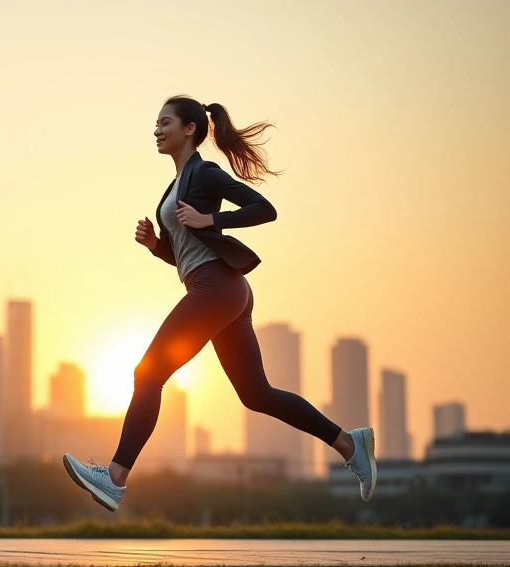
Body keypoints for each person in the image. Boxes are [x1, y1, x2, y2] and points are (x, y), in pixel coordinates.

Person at [62, 95, 376, 512]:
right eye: (155, 124)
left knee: (148, 372)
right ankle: (349, 443)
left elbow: (264, 209)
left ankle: (115, 477)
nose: (157, 130)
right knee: (256, 394)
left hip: (217, 287)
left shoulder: (204, 172)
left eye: (164, 122)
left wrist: (212, 219)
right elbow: (186, 252)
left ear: (189, 129)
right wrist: (157, 244)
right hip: (215, 288)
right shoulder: (175, 185)